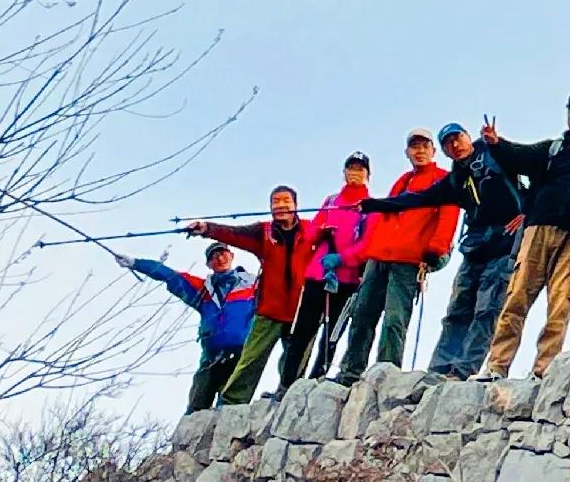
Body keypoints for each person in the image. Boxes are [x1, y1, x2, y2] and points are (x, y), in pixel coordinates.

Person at [359, 122, 525, 380]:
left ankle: (463, 370)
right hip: (475, 246)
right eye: (449, 143)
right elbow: (417, 199)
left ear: (468, 137)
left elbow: (538, 167)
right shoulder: (454, 180)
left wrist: (528, 211)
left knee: (487, 309)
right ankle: (439, 370)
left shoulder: (496, 154)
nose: (455, 145)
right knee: (458, 310)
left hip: (505, 244)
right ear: (445, 151)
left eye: (458, 138)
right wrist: (375, 204)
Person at [479, 89, 570, 380]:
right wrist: (496, 143)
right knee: (517, 298)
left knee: (560, 304)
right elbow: (518, 156)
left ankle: (544, 371)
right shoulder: (552, 148)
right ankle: (496, 366)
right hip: (539, 229)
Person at [332, 130, 459, 385]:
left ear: (433, 151)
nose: (419, 151)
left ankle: (385, 373)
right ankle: (350, 372)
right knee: (361, 316)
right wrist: (367, 254)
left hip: (409, 259)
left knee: (394, 319)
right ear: (407, 152)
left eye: (424, 146)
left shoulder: (444, 179)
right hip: (378, 257)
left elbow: (448, 217)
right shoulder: (402, 180)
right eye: (414, 147)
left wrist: (435, 250)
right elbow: (384, 217)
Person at [190, 189, 319, 407]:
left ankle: (287, 395)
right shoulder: (264, 232)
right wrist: (207, 228)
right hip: (270, 309)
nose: (280, 206)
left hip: (301, 309)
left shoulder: (311, 229)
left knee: (297, 358)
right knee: (251, 358)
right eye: (275, 202)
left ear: (295, 205)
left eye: (286, 201)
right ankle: (231, 403)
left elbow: (336, 233)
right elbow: (234, 233)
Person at [118, 241, 257, 415]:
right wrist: (136, 263)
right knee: (196, 407)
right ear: (208, 264)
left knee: (231, 408)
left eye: (223, 254)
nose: (220, 258)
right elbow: (171, 275)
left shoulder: (253, 285)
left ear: (231, 256)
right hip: (211, 358)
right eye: (213, 257)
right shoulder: (203, 290)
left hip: (242, 355)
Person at [293, 154, 373, 385]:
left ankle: (318, 375)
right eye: (351, 168)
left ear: (368, 175)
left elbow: (367, 244)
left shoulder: (370, 206)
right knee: (303, 330)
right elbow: (309, 234)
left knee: (333, 332)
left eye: (360, 169)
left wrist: (343, 258)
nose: (355, 173)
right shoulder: (331, 201)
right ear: (344, 172)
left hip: (347, 277)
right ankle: (289, 381)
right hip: (318, 272)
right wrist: (321, 231)